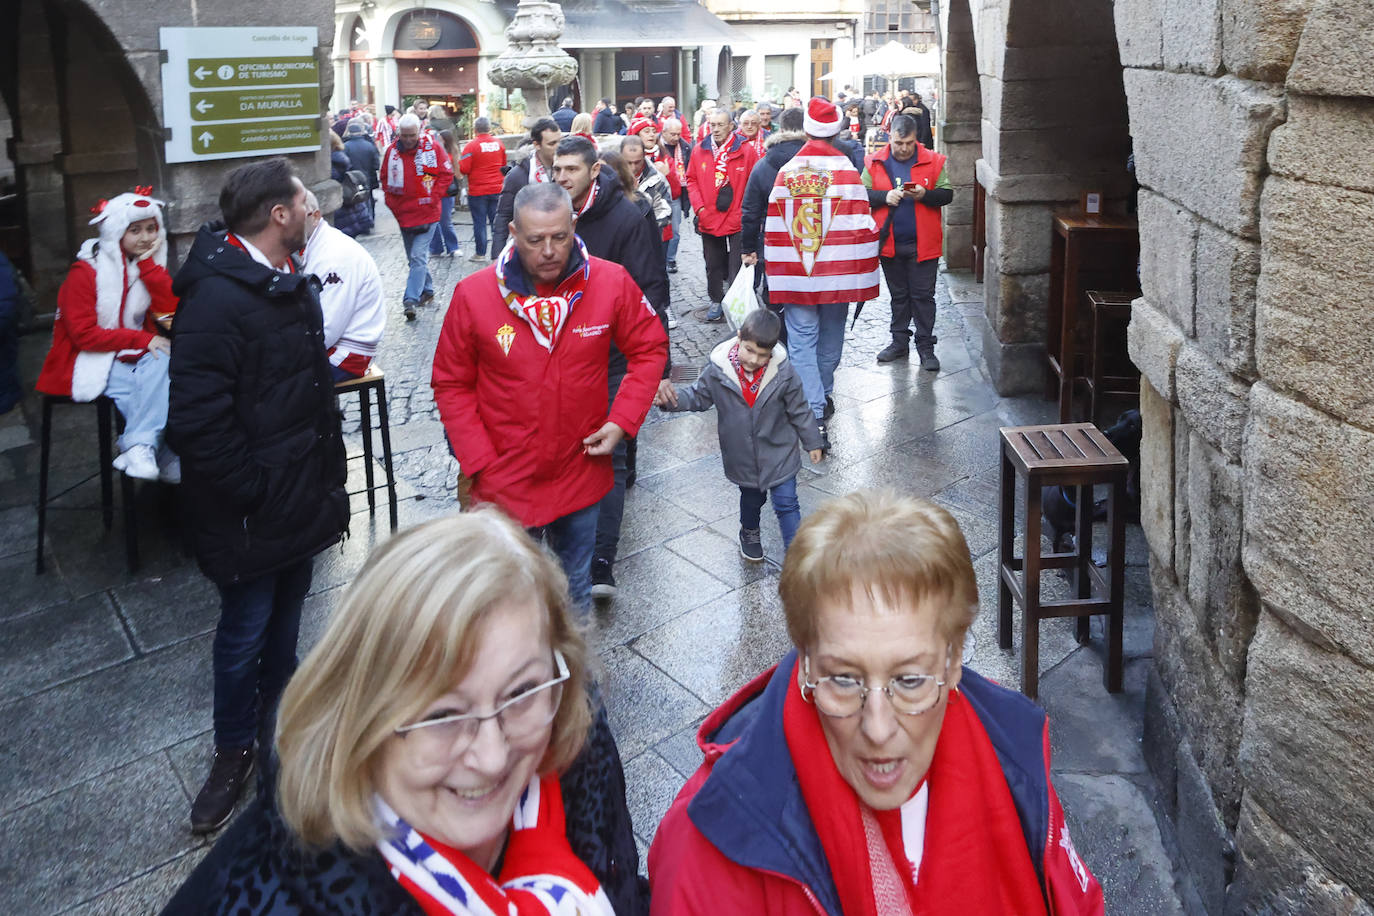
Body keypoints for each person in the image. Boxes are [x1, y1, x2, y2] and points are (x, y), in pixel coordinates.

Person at [163, 509, 648, 915]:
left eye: (520, 693)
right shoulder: (265, 898)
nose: (493, 757)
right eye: (440, 715)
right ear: (360, 721)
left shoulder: (577, 752)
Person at [648, 490, 1107, 915]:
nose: (878, 728)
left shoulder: (1016, 761)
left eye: (909, 680)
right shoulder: (707, 844)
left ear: (953, 662)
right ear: (805, 661)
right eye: (844, 679)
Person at [167, 158, 349, 834]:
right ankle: (232, 752)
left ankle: (284, 736)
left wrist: (318, 480)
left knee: (283, 633)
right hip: (253, 511)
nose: (313, 210)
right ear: (278, 215)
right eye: (304, 200)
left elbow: (309, 393)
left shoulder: (285, 280)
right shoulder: (215, 299)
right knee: (243, 635)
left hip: (298, 497)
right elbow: (198, 422)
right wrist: (258, 492)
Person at [431, 183, 668, 609]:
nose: (549, 251)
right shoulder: (474, 295)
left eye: (559, 237)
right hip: (505, 481)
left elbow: (650, 348)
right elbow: (451, 382)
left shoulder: (610, 282)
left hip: (580, 474)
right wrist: (479, 459)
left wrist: (622, 421)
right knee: (507, 598)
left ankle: (574, 675)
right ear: (513, 233)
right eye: (535, 239)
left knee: (574, 589)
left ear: (573, 225)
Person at [552, 136, 671, 600]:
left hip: (613, 356)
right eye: (557, 169)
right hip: (559, 355)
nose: (561, 177)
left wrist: (655, 359)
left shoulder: (627, 216)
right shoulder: (552, 215)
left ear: (594, 171)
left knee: (610, 457)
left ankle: (601, 561)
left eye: (571, 170)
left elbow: (650, 286)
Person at [756, 97, 879, 450]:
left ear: (807, 128)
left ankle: (813, 408)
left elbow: (775, 225)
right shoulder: (847, 171)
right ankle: (821, 394)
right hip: (838, 274)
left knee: (801, 340)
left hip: (797, 273)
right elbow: (862, 225)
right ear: (836, 129)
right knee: (830, 335)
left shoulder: (786, 171)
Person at [35, 187, 179, 481]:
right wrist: (142, 339)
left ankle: (139, 447)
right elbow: (84, 335)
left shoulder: (148, 267)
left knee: (165, 362)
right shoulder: (84, 273)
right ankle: (159, 451)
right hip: (87, 355)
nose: (146, 237)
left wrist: (151, 269)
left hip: (135, 351)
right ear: (115, 233)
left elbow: (170, 319)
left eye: (152, 228)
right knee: (139, 386)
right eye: (135, 229)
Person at [653, 308, 822, 559]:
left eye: (762, 355)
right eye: (749, 350)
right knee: (752, 500)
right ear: (740, 338)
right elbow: (698, 396)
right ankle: (749, 531)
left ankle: (797, 557)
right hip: (742, 455)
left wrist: (812, 441)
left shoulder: (784, 373)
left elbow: (799, 409)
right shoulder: (718, 371)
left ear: (773, 351)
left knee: (787, 503)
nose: (754, 360)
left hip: (779, 450)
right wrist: (671, 401)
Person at [863, 114, 953, 371]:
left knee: (923, 297)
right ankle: (899, 342)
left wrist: (925, 195)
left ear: (916, 140)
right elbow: (861, 194)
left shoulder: (934, 161)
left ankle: (926, 347)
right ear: (889, 137)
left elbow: (947, 194)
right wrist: (884, 196)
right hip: (890, 243)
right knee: (899, 296)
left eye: (909, 143)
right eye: (898, 143)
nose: (903, 148)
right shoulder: (873, 162)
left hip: (923, 244)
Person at [300, 189, 386, 381]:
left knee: (274, 385)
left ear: (315, 217)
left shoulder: (332, 256)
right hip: (337, 346)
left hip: (346, 354)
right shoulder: (316, 242)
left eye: (296, 217)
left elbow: (327, 329)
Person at [740, 105, 806, 341]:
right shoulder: (821, 163)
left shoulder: (763, 166)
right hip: (812, 240)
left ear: (781, 128)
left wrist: (748, 248)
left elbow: (750, 212)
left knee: (775, 294)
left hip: (774, 245)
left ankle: (779, 344)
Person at [686, 108, 759, 323]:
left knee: (736, 264)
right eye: (713, 125)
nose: (715, 129)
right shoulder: (700, 150)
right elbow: (691, 180)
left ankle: (736, 301)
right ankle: (716, 299)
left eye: (720, 125)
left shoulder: (746, 151)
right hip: (709, 216)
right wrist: (699, 208)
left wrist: (747, 211)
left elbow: (753, 184)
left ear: (731, 126)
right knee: (713, 263)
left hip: (737, 218)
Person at [382, 112, 453, 319]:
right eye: (404, 136)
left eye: (412, 135)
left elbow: (446, 175)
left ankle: (410, 299)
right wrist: (392, 205)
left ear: (418, 132)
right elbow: (385, 180)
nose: (408, 140)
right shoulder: (391, 153)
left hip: (428, 214)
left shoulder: (433, 148)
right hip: (404, 215)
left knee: (417, 257)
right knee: (414, 259)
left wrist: (433, 197)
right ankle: (427, 290)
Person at [490, 117, 561, 257]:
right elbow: (503, 215)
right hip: (528, 248)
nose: (558, 147)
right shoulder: (517, 176)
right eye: (552, 143)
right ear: (537, 145)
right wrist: (497, 255)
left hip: (560, 245)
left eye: (560, 141)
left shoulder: (567, 169)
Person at [459, 116, 508, 262]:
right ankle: (498, 253)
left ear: (475, 130)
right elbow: (504, 165)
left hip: (478, 191)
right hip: (498, 188)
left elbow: (464, 168)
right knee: (496, 222)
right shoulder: (499, 143)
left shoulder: (471, 146)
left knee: (479, 223)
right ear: (489, 128)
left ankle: (480, 254)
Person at [655, 117, 692, 275]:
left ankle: (670, 259)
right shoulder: (655, 146)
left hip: (675, 195)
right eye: (673, 134)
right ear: (663, 132)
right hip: (656, 195)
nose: (676, 138)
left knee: (675, 232)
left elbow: (689, 173)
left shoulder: (685, 147)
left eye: (679, 134)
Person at [621, 131, 672, 235]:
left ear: (644, 156)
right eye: (628, 162)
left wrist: (644, 229)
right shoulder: (610, 178)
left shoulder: (657, 180)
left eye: (637, 162)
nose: (633, 168)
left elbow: (665, 212)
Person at [429, 128, 464, 258]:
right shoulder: (446, 154)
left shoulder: (446, 155)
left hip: (443, 193)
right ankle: (443, 248)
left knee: (443, 222)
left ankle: (445, 248)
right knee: (439, 222)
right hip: (439, 193)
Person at [342, 116, 382, 220]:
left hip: (352, 178)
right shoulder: (369, 145)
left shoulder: (345, 146)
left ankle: (361, 220)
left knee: (356, 200)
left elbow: (344, 164)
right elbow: (376, 164)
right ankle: (370, 219)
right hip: (368, 176)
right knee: (369, 198)